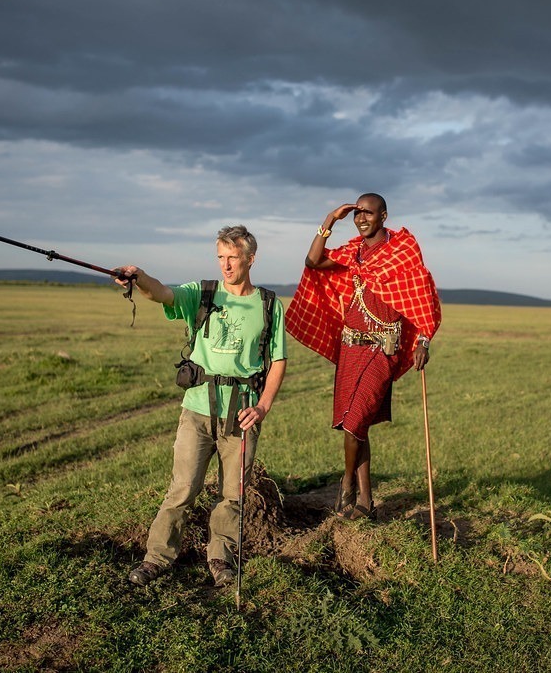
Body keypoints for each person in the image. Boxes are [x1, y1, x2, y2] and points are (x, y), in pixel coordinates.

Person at [116, 225, 287, 587]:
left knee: (233, 495)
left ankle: (221, 560)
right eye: (221, 257)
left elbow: (277, 361)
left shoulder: (270, 304)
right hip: (197, 410)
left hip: (242, 413)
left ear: (251, 259)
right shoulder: (202, 292)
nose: (226, 265)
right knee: (182, 489)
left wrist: (264, 406)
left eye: (233, 258)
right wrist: (139, 276)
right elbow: (162, 293)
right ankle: (156, 558)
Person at [286, 193, 441, 520]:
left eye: (368, 213)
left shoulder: (402, 252)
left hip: (382, 349)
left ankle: (347, 482)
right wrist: (329, 221)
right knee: (357, 428)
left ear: (384, 215)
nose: (361, 218)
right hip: (351, 348)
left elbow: (421, 296)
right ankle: (365, 504)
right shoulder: (352, 252)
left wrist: (423, 340)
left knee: (355, 422)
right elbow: (312, 262)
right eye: (357, 214)